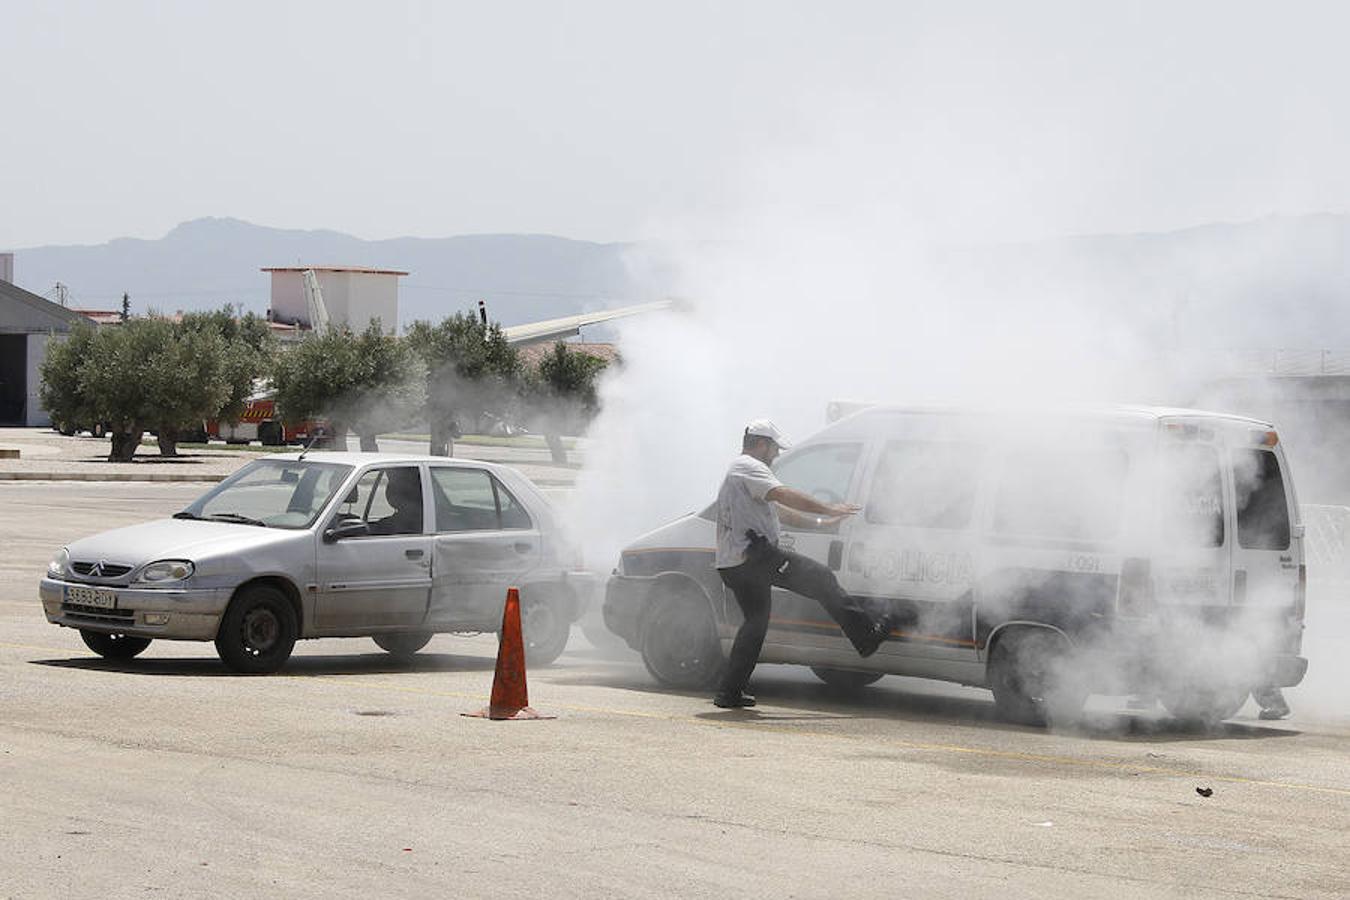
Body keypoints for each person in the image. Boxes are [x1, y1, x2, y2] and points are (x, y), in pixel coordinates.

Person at [712, 418, 895, 709]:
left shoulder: (743, 473)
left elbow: (780, 513)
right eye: (774, 449)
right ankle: (866, 638)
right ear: (761, 444)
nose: (776, 455)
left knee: (755, 623)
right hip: (753, 559)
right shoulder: (750, 467)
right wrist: (828, 506)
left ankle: (729, 692)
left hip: (738, 563)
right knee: (821, 578)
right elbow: (784, 495)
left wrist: (824, 522)